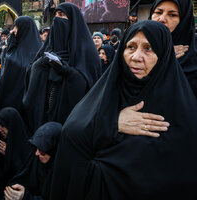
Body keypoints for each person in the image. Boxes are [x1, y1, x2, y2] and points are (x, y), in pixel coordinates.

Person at [50, 20, 197, 199]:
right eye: (131, 47)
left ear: (164, 54)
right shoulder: (107, 92)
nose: (136, 56)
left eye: (149, 48)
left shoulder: (182, 109)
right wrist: (110, 122)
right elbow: (70, 138)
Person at [23, 3, 101, 134]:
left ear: (73, 20)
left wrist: (68, 72)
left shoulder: (87, 51)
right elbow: (31, 70)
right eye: (56, 15)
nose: (57, 19)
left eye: (62, 15)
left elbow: (90, 87)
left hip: (69, 120)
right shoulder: (48, 47)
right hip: (42, 115)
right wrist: (42, 64)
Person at [149, 0, 197, 97]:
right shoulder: (134, 46)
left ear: (184, 20)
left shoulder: (192, 55)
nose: (162, 19)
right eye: (158, 12)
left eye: (172, 15)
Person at [4, 122, 62, 200]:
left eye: (42, 151)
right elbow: (22, 178)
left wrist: (25, 197)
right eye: (35, 148)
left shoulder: (61, 173)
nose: (37, 153)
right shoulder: (36, 160)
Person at [0, 16, 42, 113]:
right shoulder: (14, 49)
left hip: (24, 104)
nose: (13, 31)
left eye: (16, 27)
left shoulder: (39, 52)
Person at [0, 107, 31, 197]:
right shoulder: (2, 141)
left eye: (2, 125)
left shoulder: (29, 148)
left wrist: (10, 155)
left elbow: (25, 173)